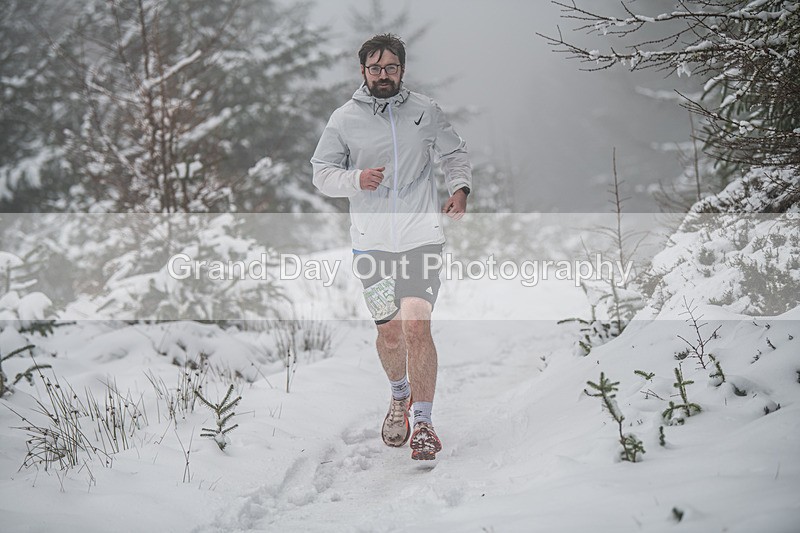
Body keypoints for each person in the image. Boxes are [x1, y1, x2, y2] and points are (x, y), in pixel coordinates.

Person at [311, 34, 471, 461]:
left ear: (402, 69)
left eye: (391, 68)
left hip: (421, 239)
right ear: (363, 71)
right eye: (375, 68)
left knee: (417, 325)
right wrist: (355, 179)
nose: (383, 75)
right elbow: (321, 172)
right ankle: (399, 395)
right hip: (372, 246)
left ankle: (424, 423)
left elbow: (455, 154)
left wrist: (460, 189)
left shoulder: (425, 110)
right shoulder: (344, 119)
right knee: (390, 331)